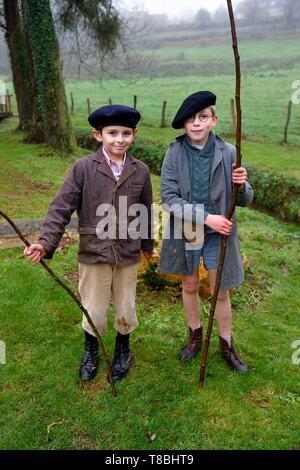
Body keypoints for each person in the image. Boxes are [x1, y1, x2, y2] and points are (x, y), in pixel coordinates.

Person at [24, 104, 154, 382]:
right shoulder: (83, 167)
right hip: (94, 252)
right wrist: (45, 243)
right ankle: (91, 350)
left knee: (126, 307)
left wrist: (147, 245)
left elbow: (145, 209)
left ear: (135, 134)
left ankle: (123, 350)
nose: (120, 139)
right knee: (93, 307)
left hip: (128, 252)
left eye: (126, 133)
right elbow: (61, 207)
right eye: (113, 133)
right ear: (98, 135)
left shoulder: (140, 171)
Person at [159, 91, 254, 372]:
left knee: (221, 291)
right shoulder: (174, 152)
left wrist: (241, 185)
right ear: (184, 126)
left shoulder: (229, 152)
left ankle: (226, 342)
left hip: (219, 233)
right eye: (190, 120)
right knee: (189, 284)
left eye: (203, 117)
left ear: (214, 119)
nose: (197, 124)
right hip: (189, 230)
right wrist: (207, 218)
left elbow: (246, 199)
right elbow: (169, 199)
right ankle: (195, 334)